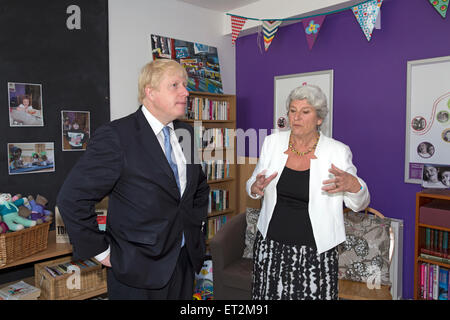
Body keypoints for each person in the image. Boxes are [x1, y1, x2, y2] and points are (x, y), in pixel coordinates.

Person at [57, 59, 210, 300]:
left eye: (185, 84)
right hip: (137, 269)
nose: (186, 91)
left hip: (183, 261)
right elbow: (72, 198)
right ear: (150, 92)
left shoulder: (186, 133)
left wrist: (195, 230)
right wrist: (100, 251)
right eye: (175, 85)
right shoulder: (116, 136)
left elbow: (199, 187)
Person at [247, 84, 370, 300]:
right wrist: (255, 187)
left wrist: (353, 185)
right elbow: (253, 184)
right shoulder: (271, 143)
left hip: (317, 252)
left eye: (305, 112)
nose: (296, 117)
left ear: (319, 119)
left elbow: (359, 203)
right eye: (293, 111)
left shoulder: (337, 151)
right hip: (271, 247)